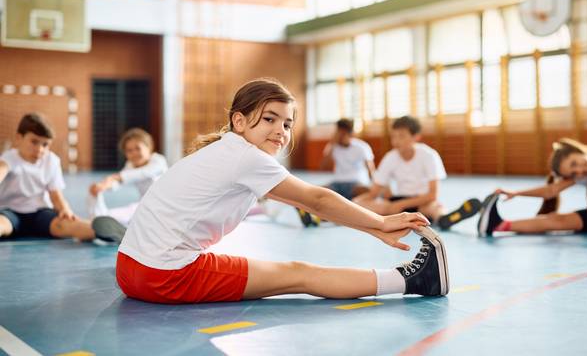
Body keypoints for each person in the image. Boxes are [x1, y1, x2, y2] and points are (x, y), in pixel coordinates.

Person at [116, 78, 449, 303]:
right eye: (269, 119)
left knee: (289, 270)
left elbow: (312, 203)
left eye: (287, 124)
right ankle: (413, 281)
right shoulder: (246, 158)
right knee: (298, 274)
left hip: (130, 267)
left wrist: (374, 227)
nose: (280, 131)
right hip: (162, 274)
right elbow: (316, 199)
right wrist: (381, 222)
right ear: (240, 121)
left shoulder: (227, 149)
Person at [353, 115, 480, 229]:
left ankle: (444, 218)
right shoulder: (390, 157)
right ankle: (402, 217)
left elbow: (432, 194)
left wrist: (401, 204)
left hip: (421, 202)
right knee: (365, 204)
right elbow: (374, 192)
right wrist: (354, 204)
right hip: (396, 203)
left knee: (435, 207)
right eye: (393, 136)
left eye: (401, 136)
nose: (396, 141)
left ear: (416, 137)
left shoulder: (429, 155)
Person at [478, 138, 587, 236]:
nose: (579, 171)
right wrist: (516, 193)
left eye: (574, 163)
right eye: (573, 173)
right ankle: (498, 225)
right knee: (556, 219)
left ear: (579, 151)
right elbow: (550, 191)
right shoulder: (582, 174)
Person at [0, 113, 94, 241]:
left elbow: (56, 196)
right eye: (34, 142)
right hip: (11, 213)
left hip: (40, 213)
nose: (39, 149)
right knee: (2, 225)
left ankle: (99, 230)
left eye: (45, 144)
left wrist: (65, 209)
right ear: (18, 138)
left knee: (66, 225)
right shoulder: (9, 158)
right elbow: (2, 169)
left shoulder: (51, 160)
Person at [88, 128, 168, 243]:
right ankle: (114, 232)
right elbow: (118, 182)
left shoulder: (158, 161)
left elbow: (141, 173)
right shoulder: (130, 165)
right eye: (129, 151)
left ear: (149, 147)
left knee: (141, 218)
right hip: (143, 207)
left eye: (137, 148)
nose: (134, 153)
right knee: (108, 217)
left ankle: (129, 232)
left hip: (164, 210)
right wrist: (101, 186)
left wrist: (113, 177)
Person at [297, 118, 375, 227]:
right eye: (338, 132)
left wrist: (374, 187)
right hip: (337, 184)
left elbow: (371, 170)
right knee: (316, 191)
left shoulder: (362, 147)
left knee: (368, 192)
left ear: (350, 134)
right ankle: (312, 213)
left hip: (356, 184)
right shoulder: (333, 146)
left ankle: (322, 217)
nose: (339, 136)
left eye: (342, 133)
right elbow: (323, 167)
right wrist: (332, 145)